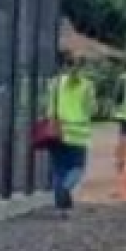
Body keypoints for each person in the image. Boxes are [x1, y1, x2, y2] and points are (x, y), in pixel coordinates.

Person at [45, 55, 97, 211]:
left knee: (58, 169)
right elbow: (92, 109)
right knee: (77, 167)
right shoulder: (87, 85)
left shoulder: (54, 84)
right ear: (81, 68)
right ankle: (67, 188)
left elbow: (49, 107)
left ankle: (60, 206)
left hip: (57, 130)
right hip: (78, 133)